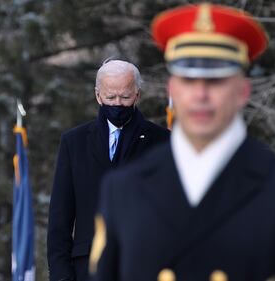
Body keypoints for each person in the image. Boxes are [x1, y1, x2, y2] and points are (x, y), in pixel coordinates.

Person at [89, 4, 275, 281]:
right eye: (189, 79)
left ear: (242, 90)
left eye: (216, 81)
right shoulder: (124, 191)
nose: (201, 94)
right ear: (172, 89)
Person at [47, 59, 170, 281]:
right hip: (87, 270)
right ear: (98, 96)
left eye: (125, 97)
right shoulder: (74, 143)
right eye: (110, 97)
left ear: (137, 95)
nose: (117, 104)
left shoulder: (164, 142)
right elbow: (60, 220)